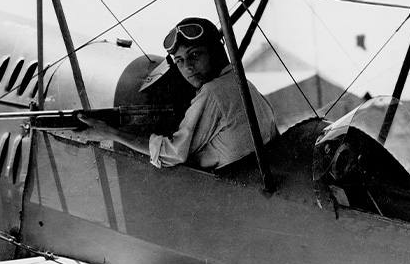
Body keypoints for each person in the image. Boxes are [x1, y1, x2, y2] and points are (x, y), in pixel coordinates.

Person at [78, 17, 277, 170]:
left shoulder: (212, 93)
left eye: (195, 55)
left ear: (216, 51)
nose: (188, 67)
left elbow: (173, 153)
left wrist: (110, 133)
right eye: (180, 60)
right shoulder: (243, 84)